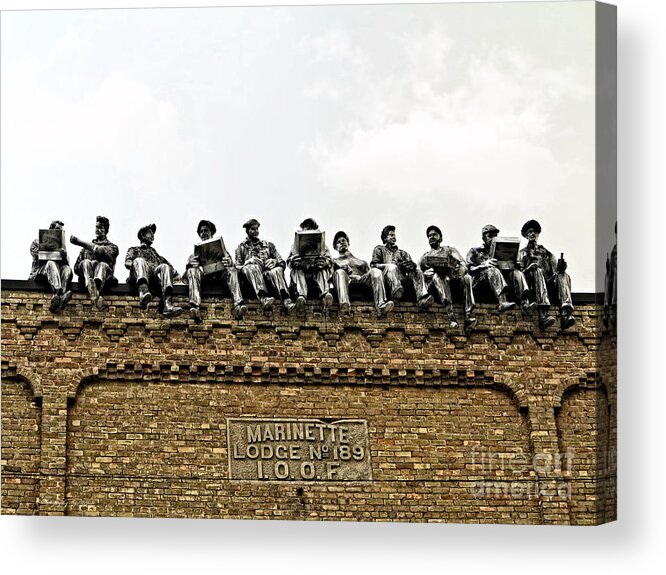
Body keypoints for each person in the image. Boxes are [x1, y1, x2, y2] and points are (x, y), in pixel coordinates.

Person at [184, 219, 247, 322]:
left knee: (232, 269)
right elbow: (185, 278)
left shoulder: (223, 250)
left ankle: (239, 305)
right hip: (204, 279)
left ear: (211, 233)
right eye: (201, 231)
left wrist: (229, 263)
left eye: (206, 230)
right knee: (192, 271)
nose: (203, 233)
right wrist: (190, 265)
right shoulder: (193, 255)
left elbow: (234, 269)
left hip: (220, 277)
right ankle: (195, 307)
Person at [466, 224, 536, 314]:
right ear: (483, 238)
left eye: (495, 236)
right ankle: (502, 302)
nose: (493, 239)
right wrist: (485, 265)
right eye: (490, 236)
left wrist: (515, 265)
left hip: (500, 283)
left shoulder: (500, 249)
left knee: (517, 273)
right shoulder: (475, 251)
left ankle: (525, 304)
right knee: (492, 269)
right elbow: (470, 270)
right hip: (481, 285)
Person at [519, 219, 575, 330]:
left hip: (547, 286)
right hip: (532, 287)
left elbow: (554, 273)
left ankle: (565, 314)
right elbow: (519, 275)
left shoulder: (546, 253)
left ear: (538, 234)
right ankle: (543, 315)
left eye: (535, 231)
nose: (532, 234)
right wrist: (528, 269)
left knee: (563, 275)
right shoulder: (522, 253)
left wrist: (561, 269)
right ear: (526, 235)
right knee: (537, 270)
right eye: (530, 232)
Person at [420, 225, 476, 328]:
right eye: (429, 236)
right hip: (435, 287)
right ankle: (451, 316)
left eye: (434, 235)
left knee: (467, 278)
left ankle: (468, 315)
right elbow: (417, 272)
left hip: (452, 280)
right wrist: (425, 273)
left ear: (440, 238)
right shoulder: (425, 256)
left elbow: (463, 264)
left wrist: (460, 272)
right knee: (438, 276)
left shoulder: (450, 250)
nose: (431, 237)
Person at [235, 218, 296, 313]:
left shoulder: (268, 245)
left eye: (256, 229)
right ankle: (263, 298)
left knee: (277, 270)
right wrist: (248, 262)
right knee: (252, 267)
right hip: (250, 281)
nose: (255, 231)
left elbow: (282, 262)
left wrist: (274, 261)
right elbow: (237, 268)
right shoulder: (241, 248)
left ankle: (286, 300)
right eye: (252, 229)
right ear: (247, 231)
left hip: (267, 276)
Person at [331, 230, 394, 318]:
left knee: (376, 270)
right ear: (335, 247)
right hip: (346, 282)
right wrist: (340, 269)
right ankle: (344, 306)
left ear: (348, 242)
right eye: (338, 242)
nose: (341, 243)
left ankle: (381, 306)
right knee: (339, 272)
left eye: (343, 240)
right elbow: (330, 277)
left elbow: (371, 276)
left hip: (361, 281)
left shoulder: (362, 262)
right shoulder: (334, 261)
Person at [124, 223, 183, 318]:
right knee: (140, 260)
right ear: (143, 235)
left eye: (153, 234)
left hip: (153, 278)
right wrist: (140, 266)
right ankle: (143, 291)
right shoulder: (134, 250)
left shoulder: (157, 255)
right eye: (150, 233)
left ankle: (167, 304)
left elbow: (174, 272)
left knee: (164, 266)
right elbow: (127, 263)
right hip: (136, 277)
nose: (152, 236)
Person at [370, 225, 434, 311]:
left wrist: (411, 266)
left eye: (394, 235)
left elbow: (411, 265)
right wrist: (389, 265)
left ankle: (422, 298)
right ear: (385, 238)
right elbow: (374, 265)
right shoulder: (379, 249)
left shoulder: (402, 253)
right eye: (391, 235)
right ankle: (395, 291)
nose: (394, 237)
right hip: (387, 276)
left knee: (418, 272)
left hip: (401, 277)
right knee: (392, 267)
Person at [71, 215, 118, 310]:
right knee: (86, 262)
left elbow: (100, 250)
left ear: (106, 230)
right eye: (96, 227)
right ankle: (92, 289)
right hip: (87, 277)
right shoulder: (84, 250)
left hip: (104, 278)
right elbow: (76, 268)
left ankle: (95, 287)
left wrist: (79, 242)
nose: (98, 229)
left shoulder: (112, 247)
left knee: (102, 265)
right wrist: (87, 265)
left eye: (101, 227)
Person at [287, 218, 334, 312]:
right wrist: (293, 261)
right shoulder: (294, 246)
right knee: (297, 270)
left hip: (316, 275)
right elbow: (288, 262)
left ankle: (325, 294)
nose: (307, 228)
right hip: (300, 278)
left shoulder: (323, 246)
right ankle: (301, 296)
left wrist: (324, 262)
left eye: (310, 227)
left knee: (322, 270)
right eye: (305, 227)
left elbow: (330, 262)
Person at [29, 220, 73, 313]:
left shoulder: (63, 249)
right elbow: (36, 255)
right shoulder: (37, 242)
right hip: (40, 272)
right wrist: (51, 250)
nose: (59, 232)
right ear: (51, 229)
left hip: (56, 273)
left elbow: (67, 265)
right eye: (57, 229)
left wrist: (63, 256)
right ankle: (57, 292)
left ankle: (60, 297)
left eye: (61, 231)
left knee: (67, 269)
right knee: (51, 263)